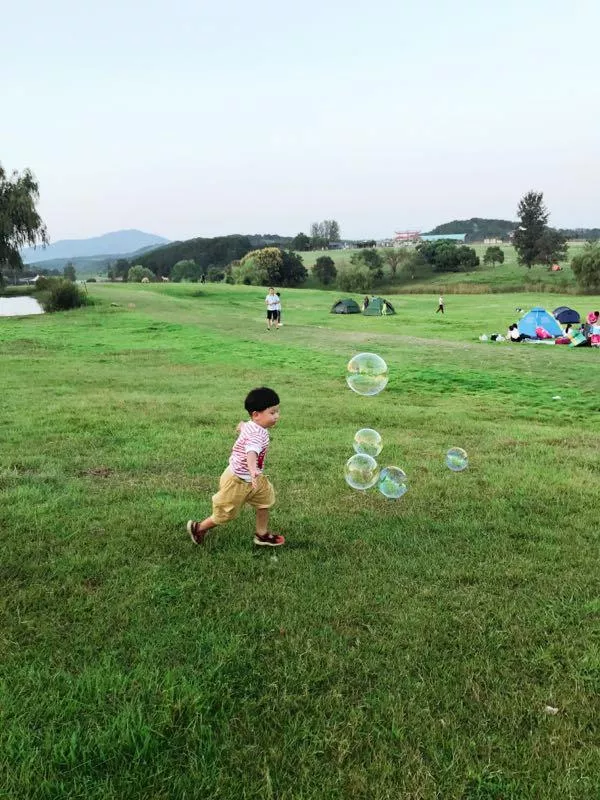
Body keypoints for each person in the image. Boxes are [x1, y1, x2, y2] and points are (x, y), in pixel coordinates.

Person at [187, 387, 285, 547]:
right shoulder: (256, 434)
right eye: (272, 413)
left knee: (265, 501)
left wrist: (242, 426)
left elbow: (245, 426)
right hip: (238, 480)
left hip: (253, 479)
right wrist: (253, 470)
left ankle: (262, 534)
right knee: (226, 513)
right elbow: (251, 452)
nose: (277, 416)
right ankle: (198, 528)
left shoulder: (253, 425)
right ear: (256, 415)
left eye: (277, 412)